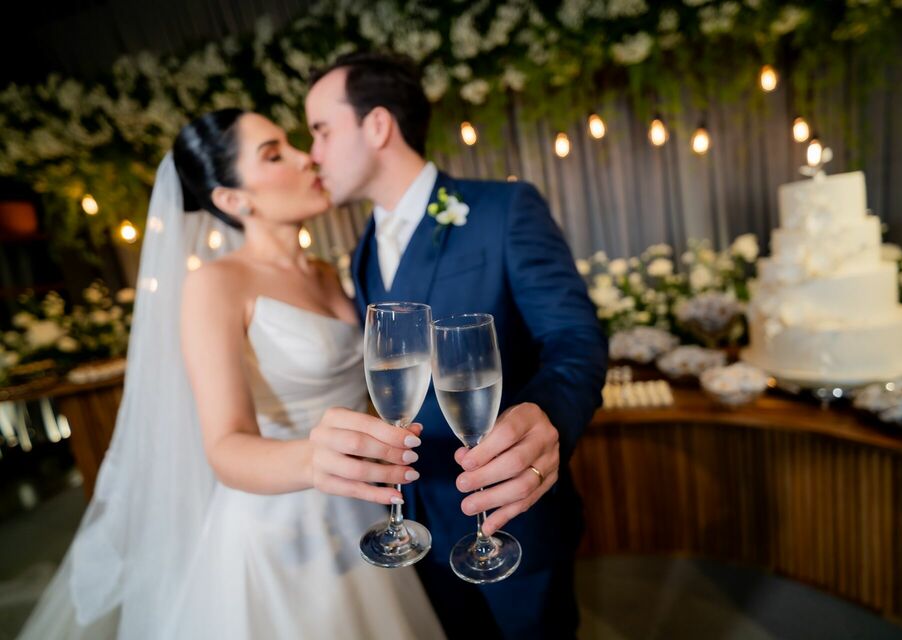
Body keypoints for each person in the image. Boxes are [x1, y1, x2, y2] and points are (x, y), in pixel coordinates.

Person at [17, 109, 445, 639]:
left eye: (292, 143)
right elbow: (224, 446)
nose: (305, 157)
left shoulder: (328, 273)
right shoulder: (215, 284)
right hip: (283, 532)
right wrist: (316, 458)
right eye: (274, 154)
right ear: (233, 199)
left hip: (362, 507)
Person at [306, 52, 609, 639]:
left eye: (322, 130)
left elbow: (576, 337)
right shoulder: (363, 249)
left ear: (377, 125)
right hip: (416, 525)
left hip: (511, 514)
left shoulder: (504, 209)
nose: (313, 153)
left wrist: (548, 415)